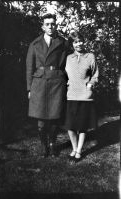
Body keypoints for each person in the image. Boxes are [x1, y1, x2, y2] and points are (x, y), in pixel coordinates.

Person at [26, 13, 69, 157]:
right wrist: (29, 88)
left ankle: (52, 143)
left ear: (56, 25)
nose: (51, 27)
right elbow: (29, 67)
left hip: (57, 83)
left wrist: (65, 80)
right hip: (38, 84)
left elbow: (66, 64)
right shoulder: (35, 43)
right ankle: (44, 145)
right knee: (41, 121)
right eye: (48, 24)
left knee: (55, 117)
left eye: (53, 24)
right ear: (43, 26)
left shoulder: (63, 42)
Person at [64, 31, 99, 163]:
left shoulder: (90, 56)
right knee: (70, 126)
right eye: (75, 41)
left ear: (84, 42)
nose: (78, 44)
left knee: (82, 126)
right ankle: (73, 148)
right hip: (71, 95)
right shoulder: (68, 58)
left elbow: (95, 73)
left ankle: (78, 151)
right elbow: (65, 74)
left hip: (85, 95)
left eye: (80, 41)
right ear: (72, 44)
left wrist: (91, 83)